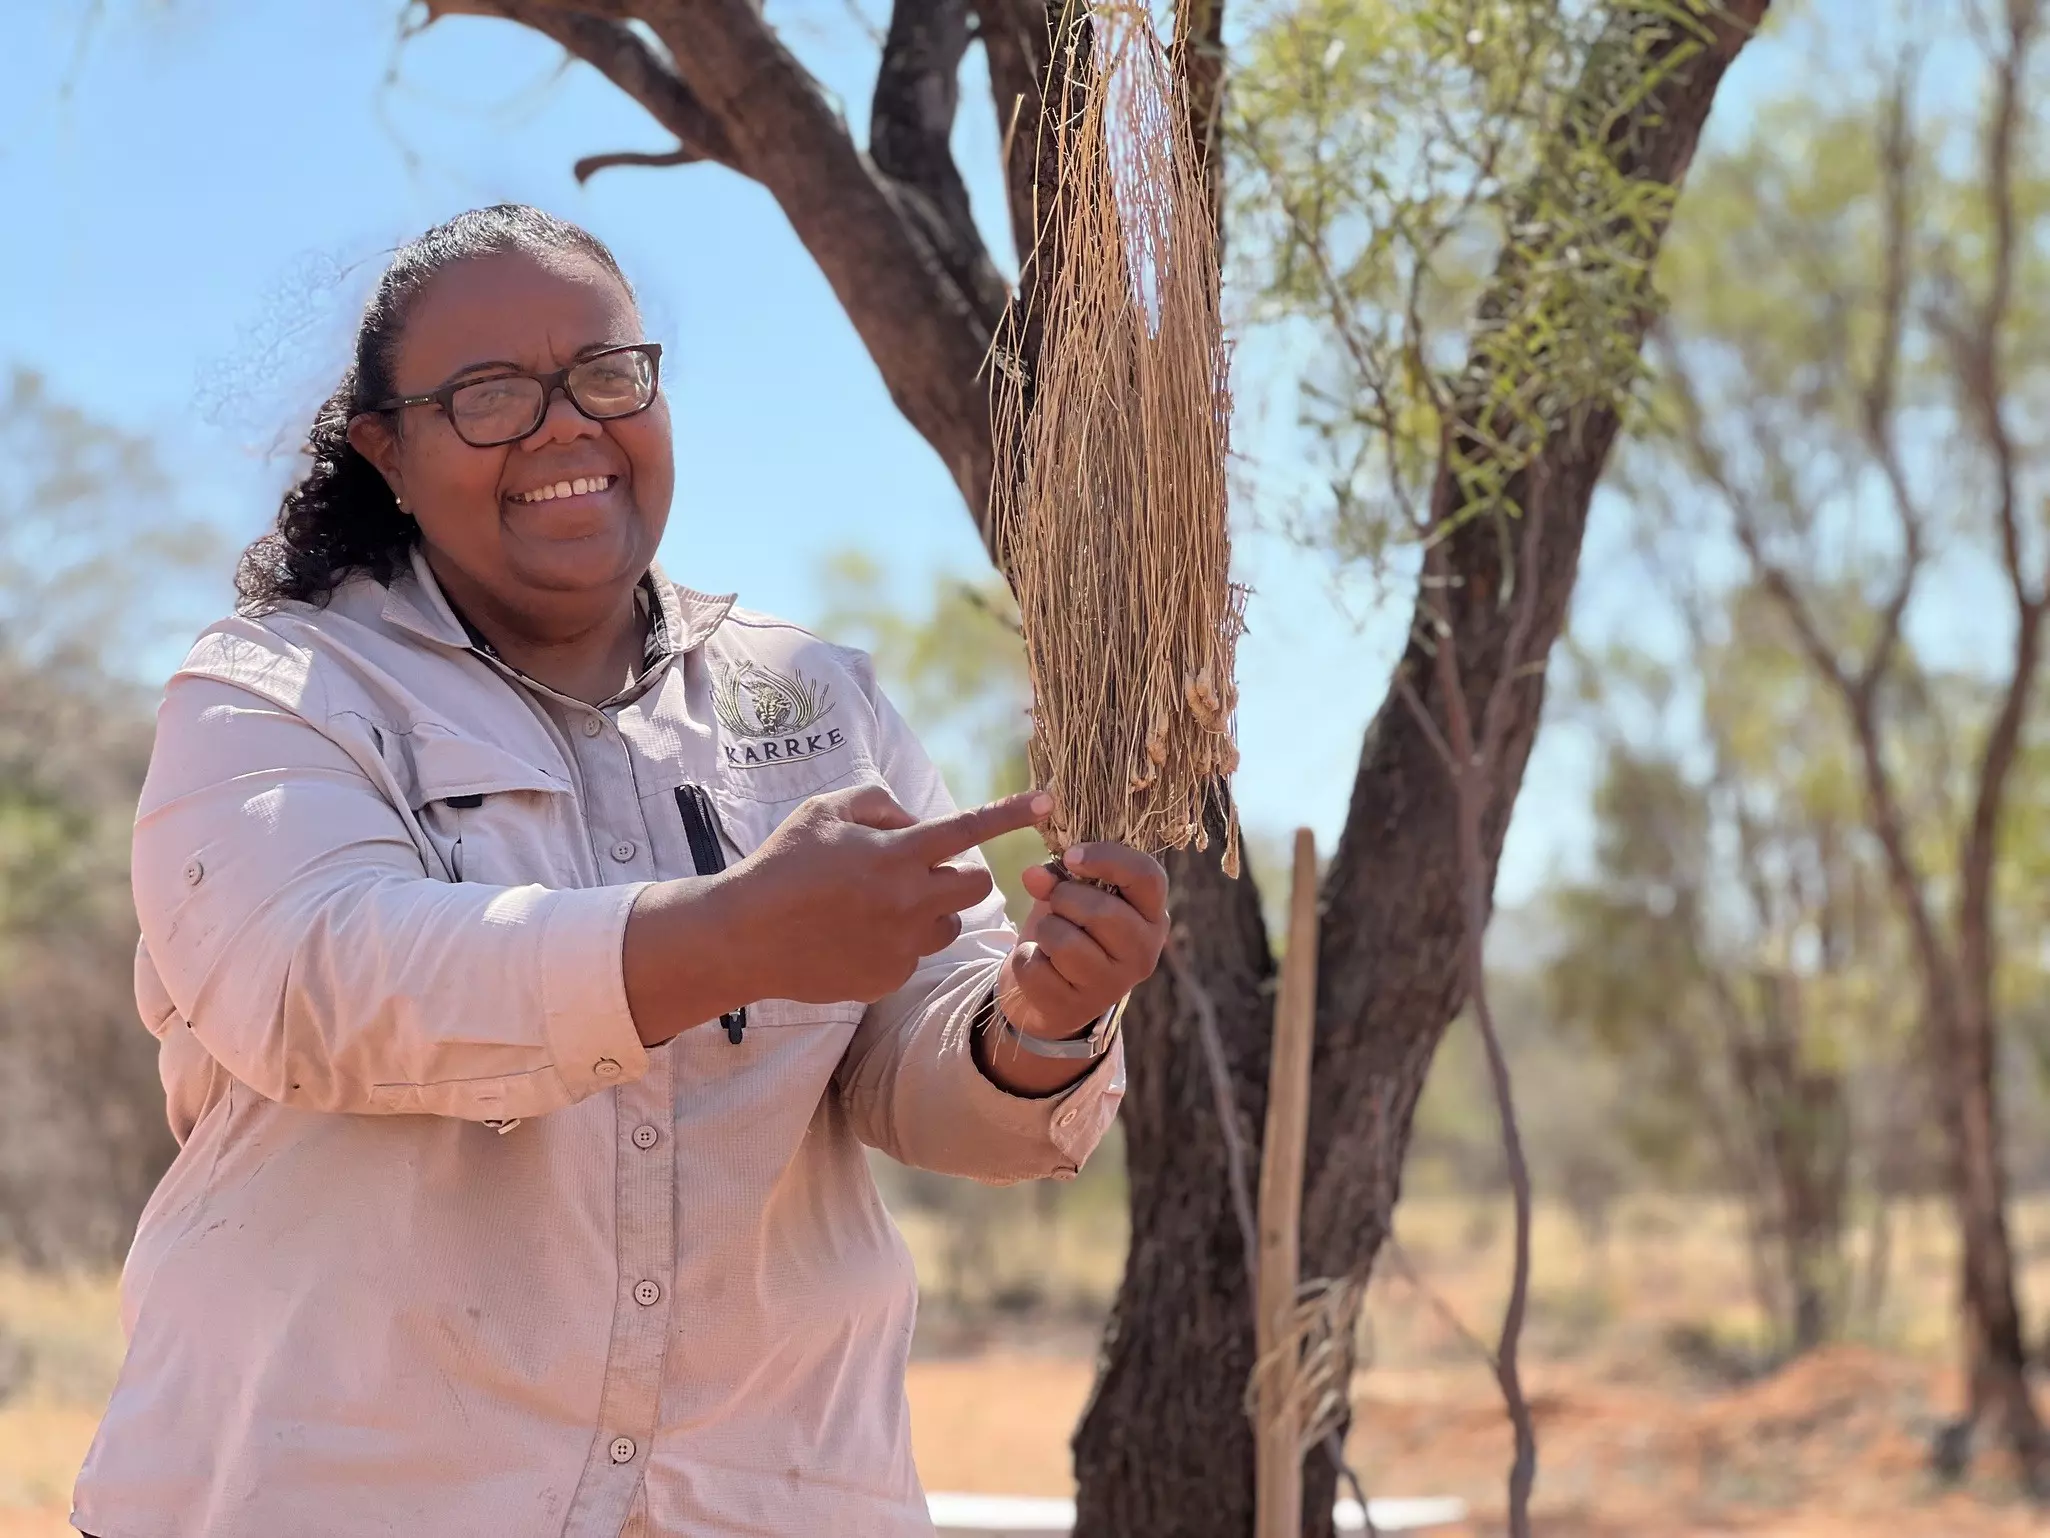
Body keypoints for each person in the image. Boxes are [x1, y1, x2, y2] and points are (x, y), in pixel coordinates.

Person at [72, 204, 1165, 1538]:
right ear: (387, 453)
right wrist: (730, 933)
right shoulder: (274, 693)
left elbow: (924, 1081)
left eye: (604, 374)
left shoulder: (814, 700)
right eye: (488, 396)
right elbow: (317, 984)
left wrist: (1040, 1025)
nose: (563, 427)